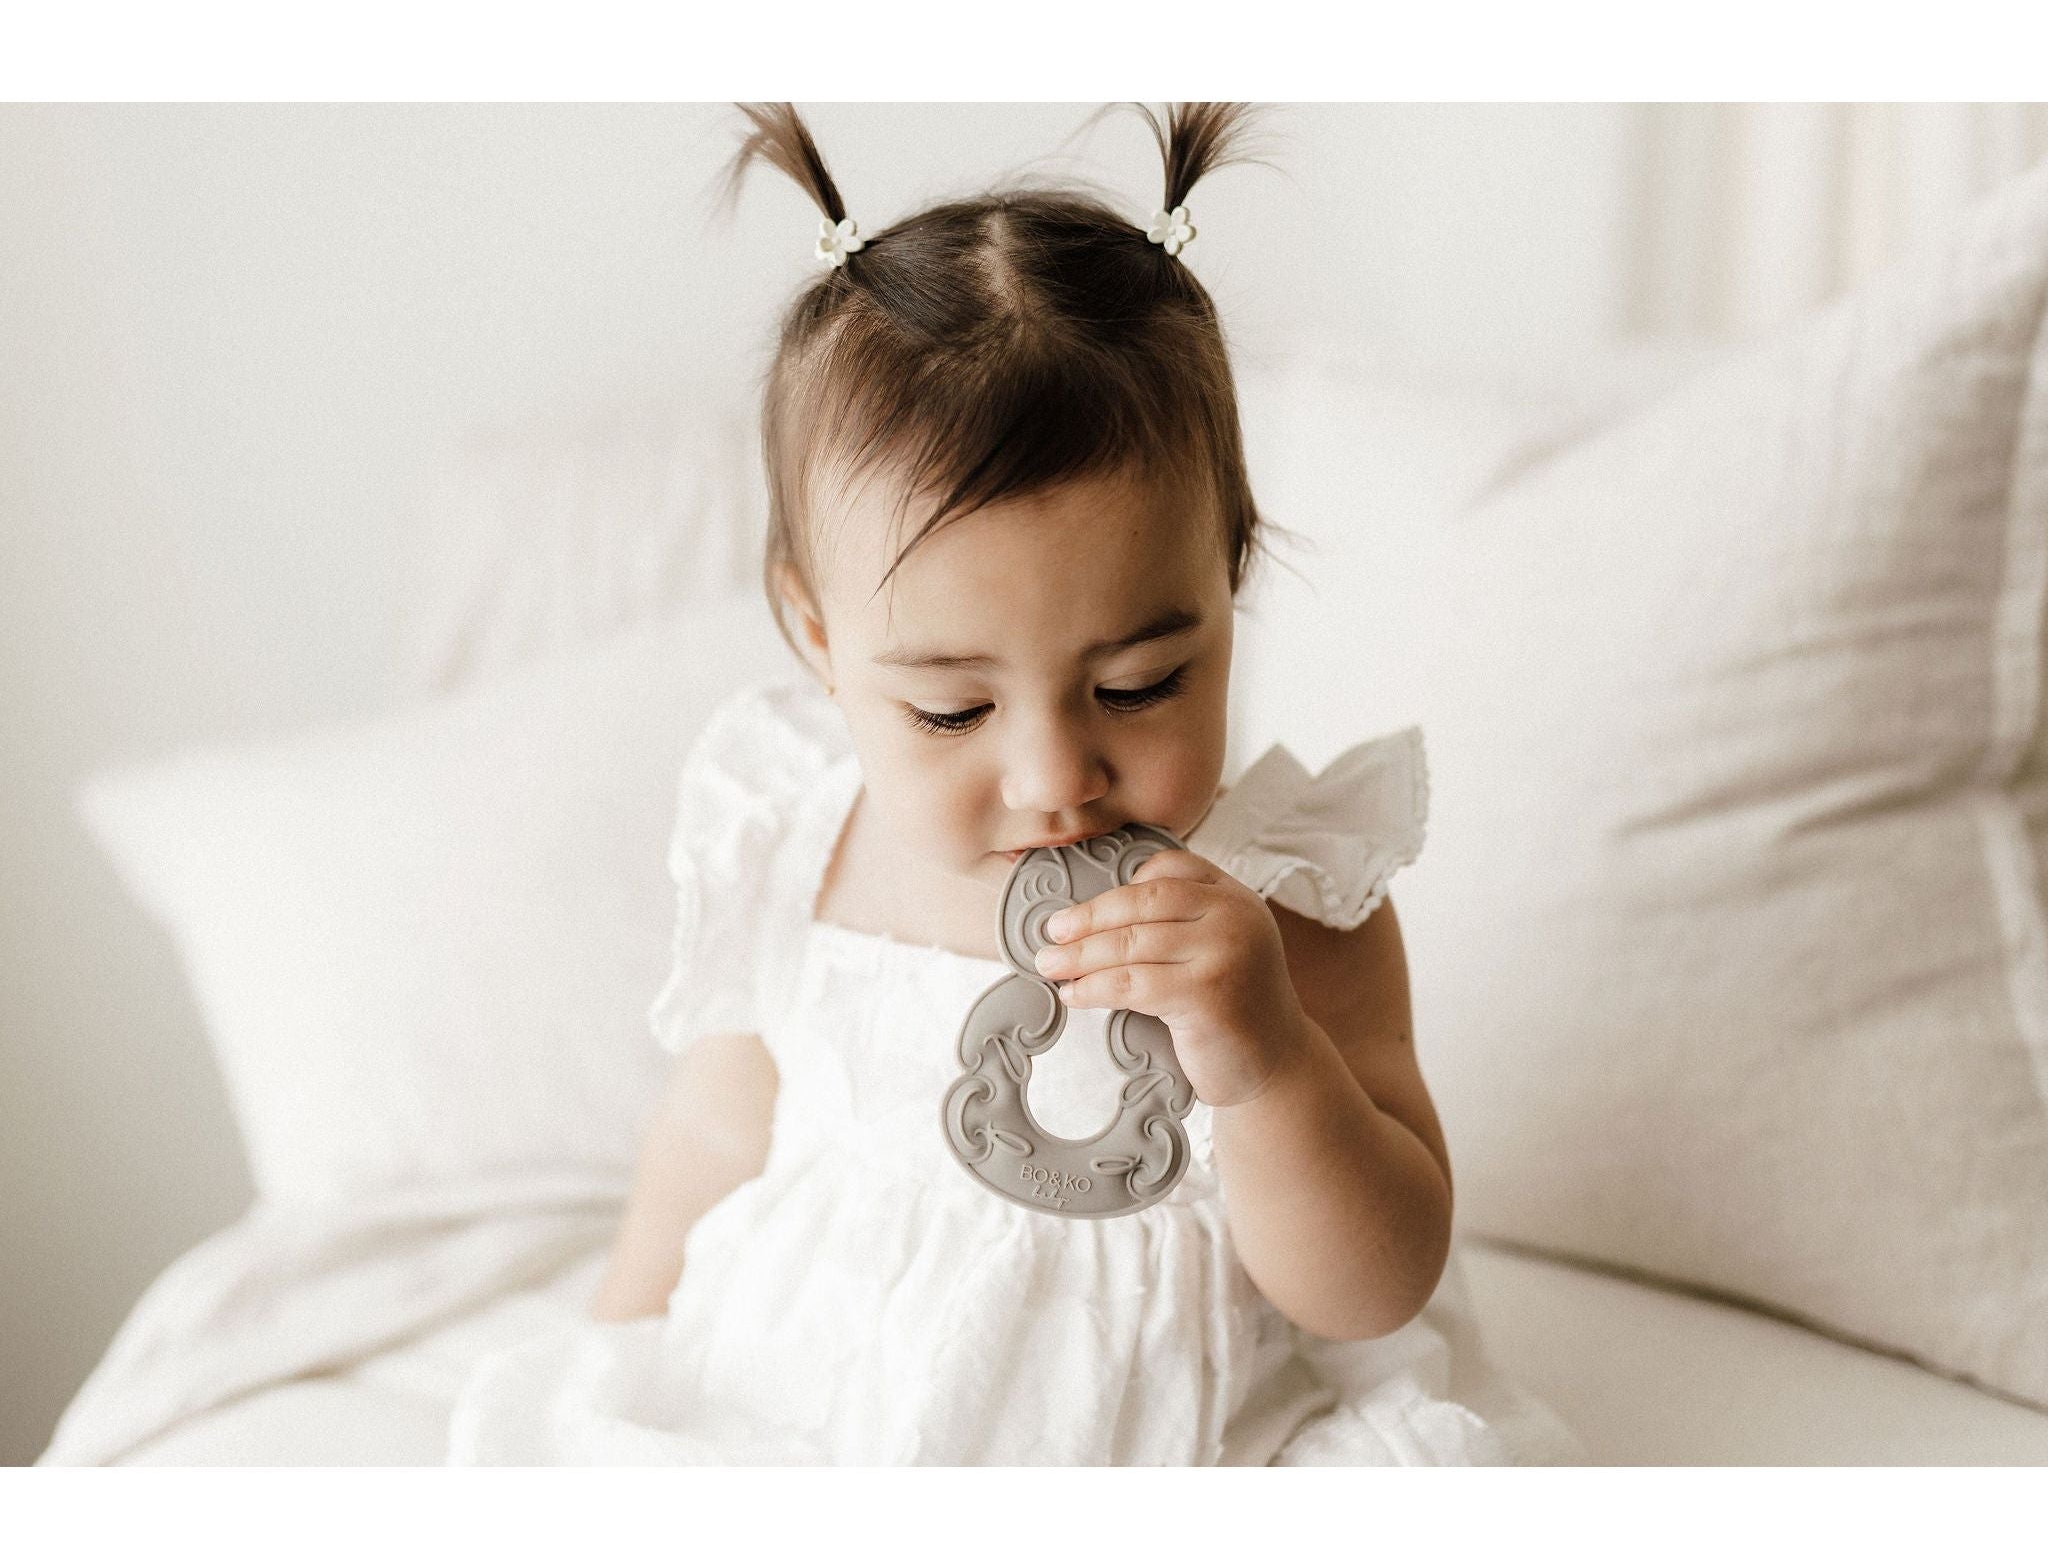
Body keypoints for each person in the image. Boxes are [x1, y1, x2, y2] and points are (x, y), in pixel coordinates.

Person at [446, 101, 1579, 1466]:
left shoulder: (1288, 902)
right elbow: (710, 1133)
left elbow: (1376, 1287)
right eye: (952, 708)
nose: (1055, 778)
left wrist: (1270, 1062)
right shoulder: (801, 845)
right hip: (812, 1416)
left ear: (1230, 575)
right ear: (818, 637)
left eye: (1139, 685)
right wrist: (615, 1354)